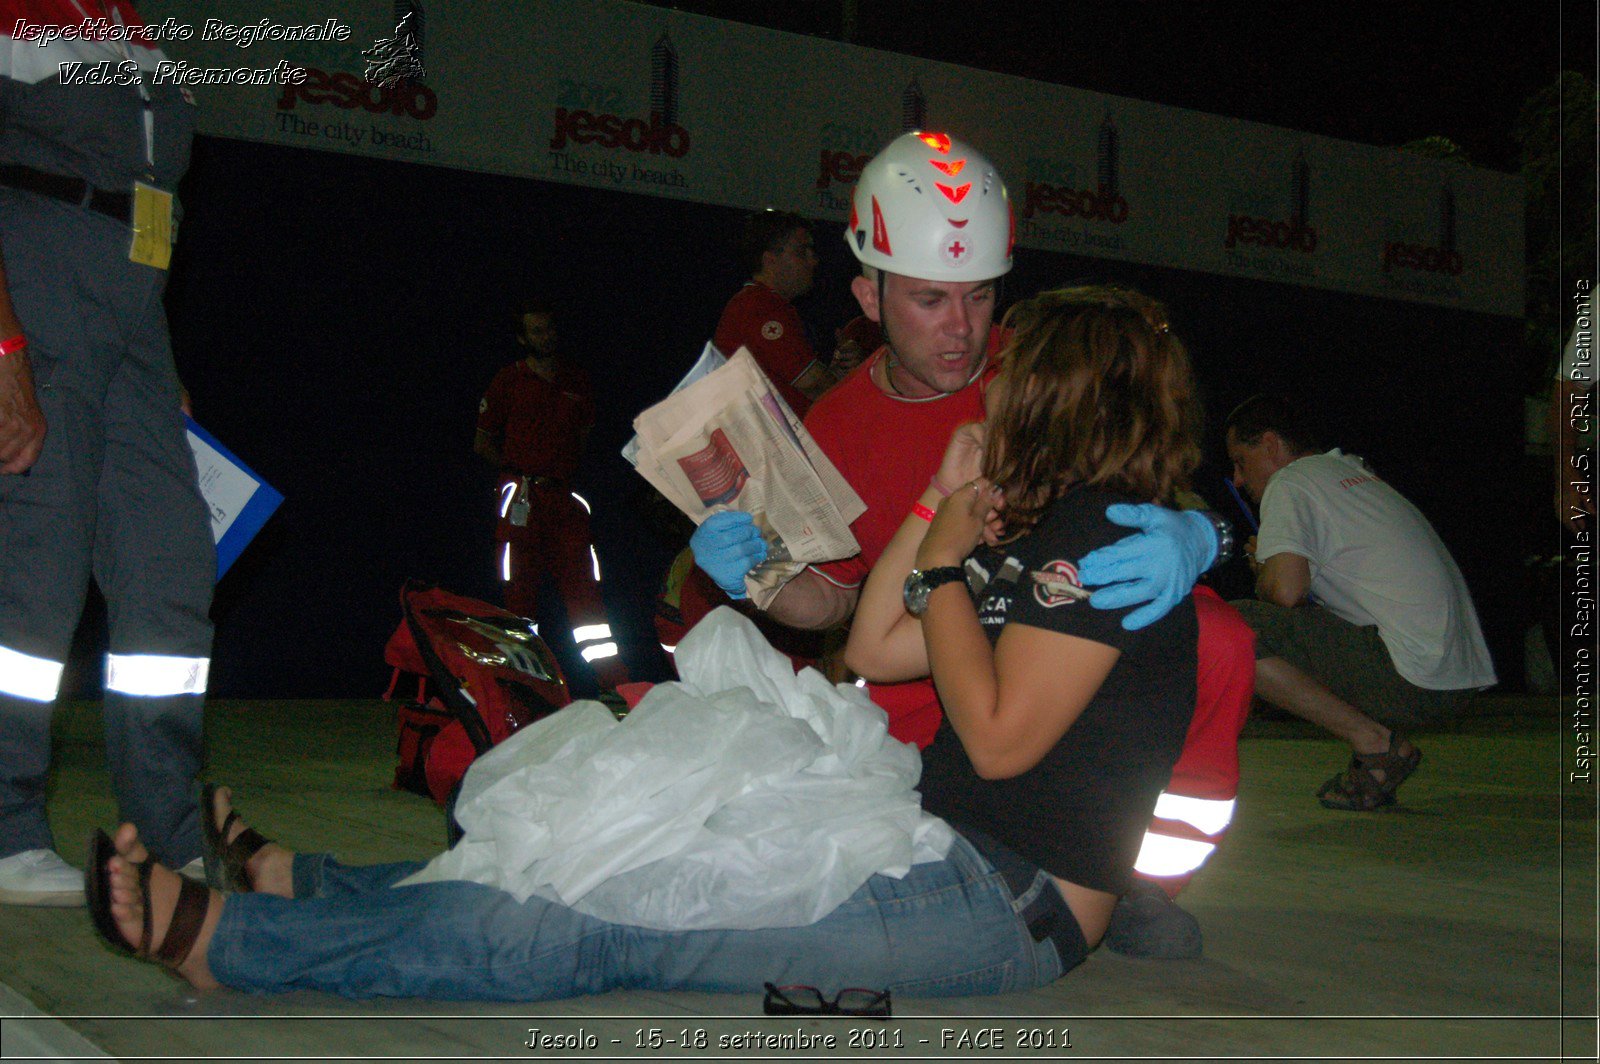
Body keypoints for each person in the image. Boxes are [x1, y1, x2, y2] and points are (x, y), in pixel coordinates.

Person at [85, 283, 1204, 1003]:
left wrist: (952, 557)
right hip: (916, 833)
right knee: (599, 841)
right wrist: (939, 513)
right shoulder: (1037, 519)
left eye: (1016, 369)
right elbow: (873, 641)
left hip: (1005, 905)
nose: (991, 377)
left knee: (609, 920)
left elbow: (1002, 740)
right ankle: (308, 882)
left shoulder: (1103, 539)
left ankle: (234, 945)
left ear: (1055, 394)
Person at [690, 132, 1253, 956]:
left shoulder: (1038, 377)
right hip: (920, 689)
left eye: (981, 298)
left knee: (1223, 639)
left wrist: (1204, 534)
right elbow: (840, 607)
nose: (964, 331)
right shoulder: (836, 425)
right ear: (869, 297)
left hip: (1041, 679)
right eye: (929, 301)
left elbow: (1150, 486)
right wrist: (759, 579)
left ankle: (1138, 877)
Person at [0, 0, 215, 906]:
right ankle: (6, 828)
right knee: (38, 567)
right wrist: (2, 350)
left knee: (172, 560)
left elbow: (145, 193)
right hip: (36, 282)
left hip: (133, 306)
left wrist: (152, 352)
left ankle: (166, 831)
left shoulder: (128, 25)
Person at [1224, 395, 1496, 810]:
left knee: (1228, 626)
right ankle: (1375, 763)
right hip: (1455, 675)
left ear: (1271, 446)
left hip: (1415, 679)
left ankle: (1375, 745)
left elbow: (1285, 593)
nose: (1239, 480)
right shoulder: (1348, 472)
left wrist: (1264, 568)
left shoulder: (1291, 481)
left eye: (1241, 462)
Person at [475, 297, 628, 691]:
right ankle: (522, 689)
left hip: (565, 502)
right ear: (522, 337)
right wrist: (517, 473)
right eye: (536, 330)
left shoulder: (576, 381)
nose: (546, 336)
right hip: (522, 502)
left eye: (550, 328)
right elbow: (483, 442)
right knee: (519, 599)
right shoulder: (507, 381)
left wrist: (556, 473)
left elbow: (582, 437)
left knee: (586, 595)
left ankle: (613, 687)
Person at [713, 210, 834, 416]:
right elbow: (812, 383)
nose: (813, 261)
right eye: (801, 252)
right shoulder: (759, 306)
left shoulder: (764, 304)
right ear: (770, 260)